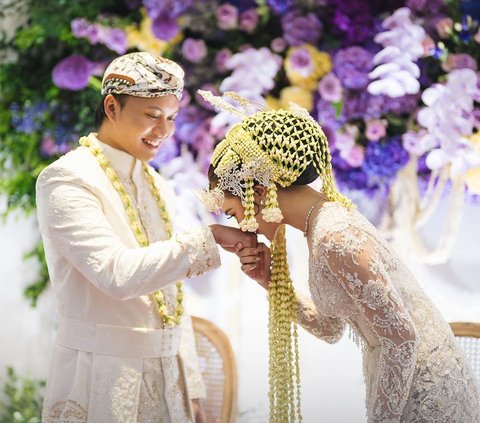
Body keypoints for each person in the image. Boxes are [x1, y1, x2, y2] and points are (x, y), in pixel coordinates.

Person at [198, 90, 480, 423]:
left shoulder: (334, 237)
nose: (248, 232)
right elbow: (331, 328)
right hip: (399, 380)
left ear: (259, 194)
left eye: (234, 215)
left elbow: (402, 339)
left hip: (425, 392)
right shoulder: (319, 227)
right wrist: (268, 279)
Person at [36, 53, 258, 423]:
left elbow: (172, 298)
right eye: (152, 115)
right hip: (101, 379)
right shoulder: (67, 179)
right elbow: (116, 275)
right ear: (112, 106)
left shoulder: (155, 181)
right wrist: (212, 237)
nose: (164, 130)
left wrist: (193, 392)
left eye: (171, 118)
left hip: (169, 385)